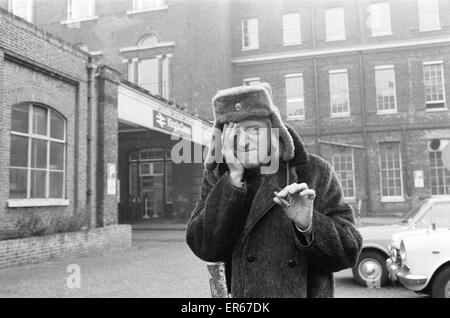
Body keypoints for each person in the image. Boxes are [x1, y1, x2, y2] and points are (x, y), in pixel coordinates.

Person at [186, 83, 363, 298]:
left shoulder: (314, 171)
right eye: (233, 131)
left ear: (274, 131)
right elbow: (204, 248)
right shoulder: (217, 177)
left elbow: (349, 252)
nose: (243, 141)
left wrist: (308, 225)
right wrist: (232, 181)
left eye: (253, 130)